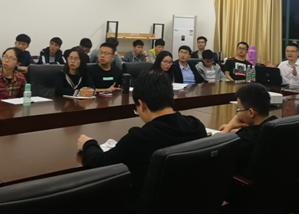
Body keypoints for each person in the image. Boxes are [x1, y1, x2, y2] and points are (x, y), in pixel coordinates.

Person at [76, 72, 207, 210]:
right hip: (189, 205)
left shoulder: (140, 138)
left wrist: (88, 144)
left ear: (142, 105)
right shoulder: (196, 126)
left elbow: (102, 163)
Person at [218, 83, 276, 177]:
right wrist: (235, 131)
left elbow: (217, 153)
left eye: (239, 109)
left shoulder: (246, 140)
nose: (237, 114)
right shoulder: (276, 125)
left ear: (251, 112)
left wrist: (229, 126)